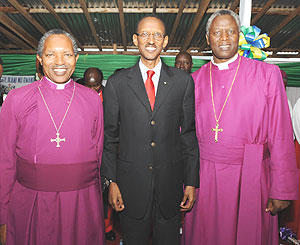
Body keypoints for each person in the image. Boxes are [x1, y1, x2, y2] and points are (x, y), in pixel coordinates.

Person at [182, 9, 298, 245]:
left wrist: (282, 190)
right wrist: (184, 182)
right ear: (208, 39)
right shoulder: (193, 81)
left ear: (239, 35)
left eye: (231, 31)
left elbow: (281, 135)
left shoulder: (267, 75)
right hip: (205, 179)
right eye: (217, 32)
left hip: (251, 177)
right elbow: (184, 137)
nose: (224, 38)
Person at [0, 29, 105, 245]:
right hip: (32, 201)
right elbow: (5, 161)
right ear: (39, 59)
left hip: (81, 202)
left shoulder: (92, 99)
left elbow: (98, 155)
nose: (60, 62)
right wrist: (2, 215)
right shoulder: (17, 98)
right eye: (51, 55)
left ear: (76, 59)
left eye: (67, 54)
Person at [101, 15, 199, 245]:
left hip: (170, 185)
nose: (151, 39)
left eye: (157, 34)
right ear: (135, 40)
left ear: (165, 41)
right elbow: (110, 137)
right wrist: (111, 182)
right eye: (145, 34)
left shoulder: (183, 82)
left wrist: (192, 182)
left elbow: (188, 134)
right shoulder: (117, 83)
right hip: (130, 186)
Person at [83, 67, 116, 242]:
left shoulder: (110, 98)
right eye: (88, 85)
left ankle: (107, 227)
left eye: (95, 86)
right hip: (86, 155)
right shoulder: (79, 96)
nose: (91, 90)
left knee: (106, 194)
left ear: (101, 83)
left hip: (107, 153)